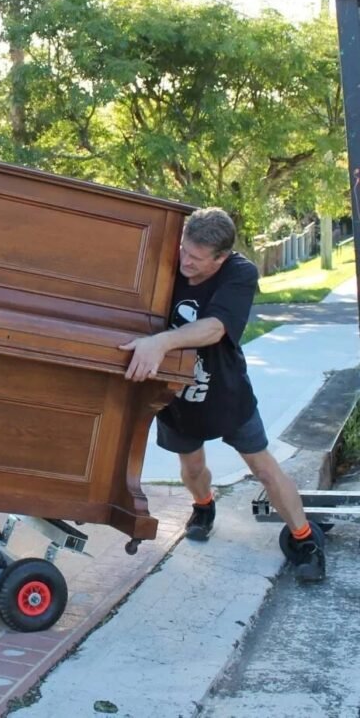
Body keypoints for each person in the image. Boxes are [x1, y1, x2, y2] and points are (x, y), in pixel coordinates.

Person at [120, 207, 325, 582]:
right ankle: (203, 506)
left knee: (263, 467)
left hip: (227, 390)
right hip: (175, 394)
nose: (185, 262)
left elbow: (215, 328)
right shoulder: (169, 257)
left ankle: (305, 538)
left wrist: (162, 341)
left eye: (196, 259)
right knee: (192, 467)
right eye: (184, 251)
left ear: (221, 257)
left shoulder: (240, 273)